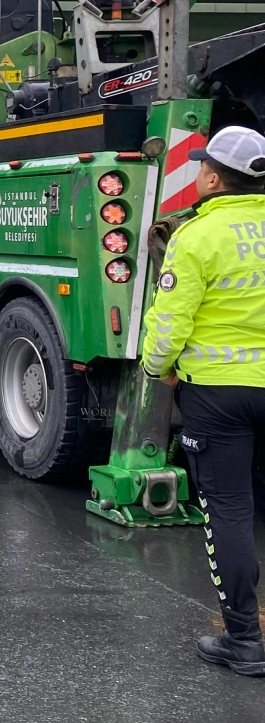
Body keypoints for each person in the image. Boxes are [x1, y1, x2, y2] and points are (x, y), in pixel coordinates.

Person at [141, 125, 265, 676]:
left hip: (217, 395)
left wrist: (157, 368)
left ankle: (244, 641)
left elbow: (168, 323)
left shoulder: (195, 236)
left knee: (230, 509)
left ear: (213, 178)